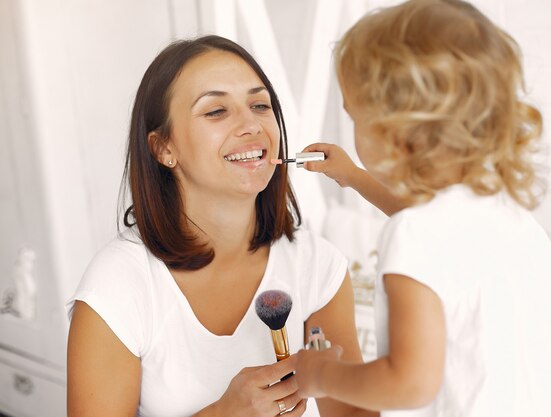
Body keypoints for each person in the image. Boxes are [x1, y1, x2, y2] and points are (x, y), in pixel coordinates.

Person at [294, 1, 551, 416]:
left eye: (354, 117)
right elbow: (436, 234)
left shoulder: (414, 235)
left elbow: (409, 384)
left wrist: (322, 374)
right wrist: (355, 177)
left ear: (394, 130)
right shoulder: (494, 199)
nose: (351, 125)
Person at [66, 35, 376, 417]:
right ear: (164, 148)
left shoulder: (318, 265)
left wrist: (337, 381)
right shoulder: (118, 285)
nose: (251, 125)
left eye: (260, 105)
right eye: (216, 111)